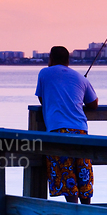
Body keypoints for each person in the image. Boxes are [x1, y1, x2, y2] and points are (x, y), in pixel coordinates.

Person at [35, 46, 98, 204]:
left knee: (66, 173)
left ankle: (73, 211)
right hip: (80, 130)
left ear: (51, 58)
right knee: (83, 172)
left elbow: (42, 99)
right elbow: (93, 104)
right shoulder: (80, 78)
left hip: (58, 130)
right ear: (68, 60)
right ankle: (86, 211)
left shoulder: (44, 73)